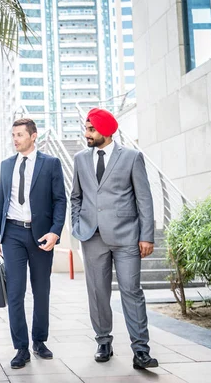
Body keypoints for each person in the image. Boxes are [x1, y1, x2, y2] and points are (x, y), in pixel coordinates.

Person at [71, 108, 158, 369]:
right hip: (92, 236)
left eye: (91, 129)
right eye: (86, 128)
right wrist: (77, 224)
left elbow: (144, 198)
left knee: (132, 292)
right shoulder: (79, 159)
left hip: (127, 237)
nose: (86, 133)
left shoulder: (132, 157)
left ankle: (141, 350)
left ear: (106, 132)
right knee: (98, 293)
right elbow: (76, 196)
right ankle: (103, 341)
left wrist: (147, 236)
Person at [0, 118, 66, 368]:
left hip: (42, 235)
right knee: (15, 292)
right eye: (13, 134)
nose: (15, 139)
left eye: (20, 134)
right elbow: (1, 201)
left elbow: (60, 201)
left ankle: (40, 341)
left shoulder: (51, 164)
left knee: (41, 290)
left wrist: (55, 232)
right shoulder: (5, 165)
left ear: (34, 136)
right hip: (12, 233)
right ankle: (21, 347)